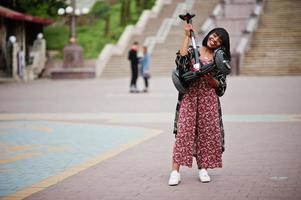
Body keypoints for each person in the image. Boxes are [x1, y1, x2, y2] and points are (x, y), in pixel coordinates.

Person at [168, 24, 231, 186]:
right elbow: (180, 61)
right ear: (209, 34)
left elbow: (222, 88)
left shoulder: (219, 59)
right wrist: (186, 36)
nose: (215, 39)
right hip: (189, 97)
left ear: (222, 44)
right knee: (184, 133)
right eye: (214, 35)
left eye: (219, 39)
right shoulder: (192, 51)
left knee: (206, 134)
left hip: (208, 100)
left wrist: (212, 81)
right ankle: (175, 171)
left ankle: (203, 169)